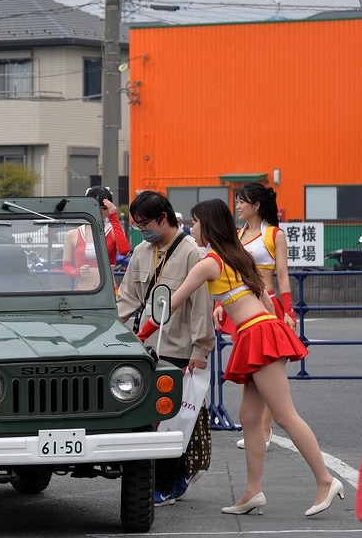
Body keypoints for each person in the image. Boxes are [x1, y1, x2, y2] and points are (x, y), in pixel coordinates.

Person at [136, 198, 344, 517]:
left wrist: (140, 334)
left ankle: (325, 480)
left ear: (208, 225)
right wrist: (228, 307)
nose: (192, 228)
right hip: (260, 331)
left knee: (285, 415)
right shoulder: (238, 255)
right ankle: (252, 491)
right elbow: (262, 299)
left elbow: (173, 302)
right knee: (249, 417)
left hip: (257, 334)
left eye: (195, 222)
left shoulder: (209, 262)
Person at [116, 190, 215, 507]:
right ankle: (169, 481)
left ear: (164, 218)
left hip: (179, 350)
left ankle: (166, 484)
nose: (141, 230)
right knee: (149, 421)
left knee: (173, 421)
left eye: (145, 224)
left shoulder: (191, 254)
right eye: (136, 225)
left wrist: (200, 352)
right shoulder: (142, 252)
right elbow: (127, 300)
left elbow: (200, 307)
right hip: (145, 348)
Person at [216, 183, 296, 451]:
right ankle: (255, 429)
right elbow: (228, 275)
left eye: (241, 202)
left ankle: (264, 430)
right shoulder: (237, 235)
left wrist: (289, 310)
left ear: (256, 205)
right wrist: (219, 304)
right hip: (242, 307)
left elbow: (282, 274)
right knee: (248, 367)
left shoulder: (275, 234)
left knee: (269, 369)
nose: (237, 206)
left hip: (269, 305)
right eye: (236, 202)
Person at [62, 186, 129, 289]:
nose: (99, 211)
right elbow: (66, 267)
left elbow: (124, 250)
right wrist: (77, 271)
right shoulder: (73, 234)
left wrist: (114, 217)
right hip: (83, 292)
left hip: (110, 293)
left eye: (104, 208)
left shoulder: (113, 231)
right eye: (95, 206)